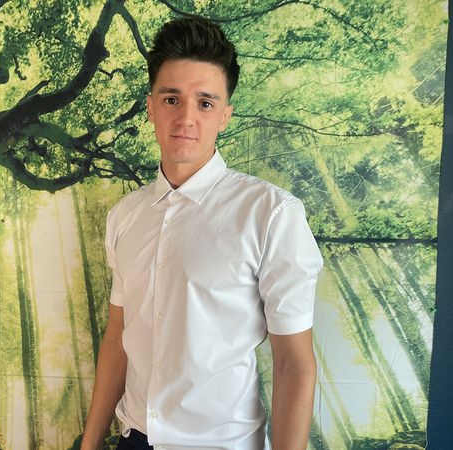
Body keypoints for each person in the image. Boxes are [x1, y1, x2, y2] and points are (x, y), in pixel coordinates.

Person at [80, 15, 323, 450]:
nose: (186, 118)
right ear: (151, 107)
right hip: (133, 440)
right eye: (171, 99)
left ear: (225, 115)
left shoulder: (270, 214)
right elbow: (117, 339)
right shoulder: (124, 217)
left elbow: (294, 364)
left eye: (205, 103)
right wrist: (89, 443)